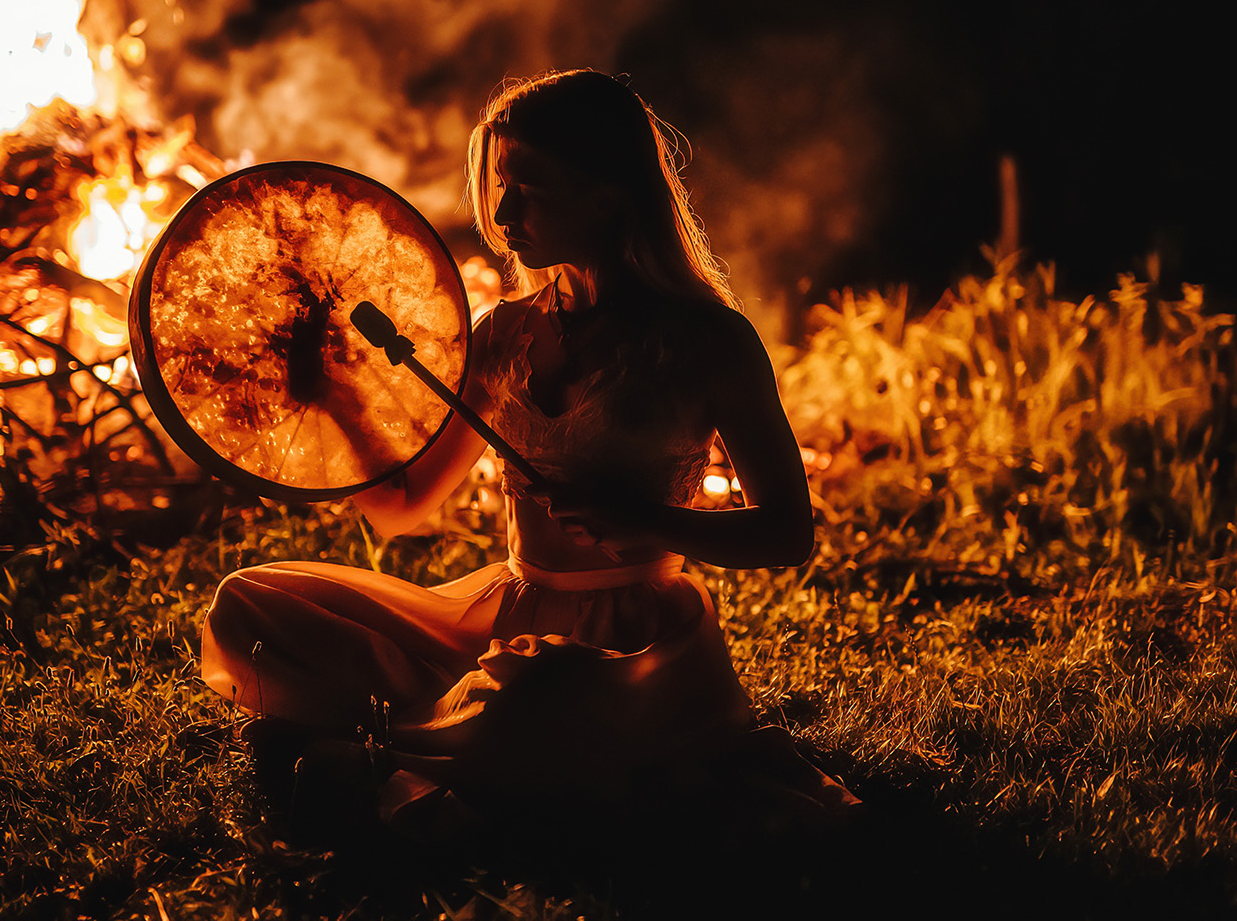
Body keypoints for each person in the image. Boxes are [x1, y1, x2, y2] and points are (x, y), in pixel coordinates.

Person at [201, 69, 857, 837]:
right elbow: (401, 510)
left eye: (533, 188)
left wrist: (648, 519)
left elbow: (787, 533)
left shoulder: (708, 342)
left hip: (628, 643)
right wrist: (338, 401)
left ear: (609, 191)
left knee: (538, 692)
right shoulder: (503, 333)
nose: (505, 212)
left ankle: (385, 747)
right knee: (250, 601)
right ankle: (437, 736)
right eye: (499, 186)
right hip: (498, 617)